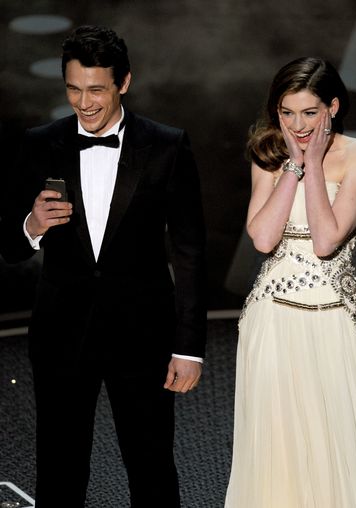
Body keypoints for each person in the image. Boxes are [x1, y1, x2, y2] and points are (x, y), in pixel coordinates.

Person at [1, 25, 206, 508]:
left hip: (143, 334)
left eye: (96, 89)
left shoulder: (167, 145)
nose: (84, 102)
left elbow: (191, 252)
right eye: (74, 88)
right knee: (59, 470)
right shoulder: (40, 142)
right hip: (61, 335)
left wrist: (188, 348)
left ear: (124, 83)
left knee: (152, 468)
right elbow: (8, 244)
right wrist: (31, 224)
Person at [225, 57, 356, 507]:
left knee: (338, 441)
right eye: (287, 113)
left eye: (309, 112)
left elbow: (325, 239)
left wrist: (315, 164)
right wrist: (293, 167)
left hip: (335, 321)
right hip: (272, 321)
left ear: (333, 107)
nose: (297, 125)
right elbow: (262, 238)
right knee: (277, 447)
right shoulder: (268, 154)